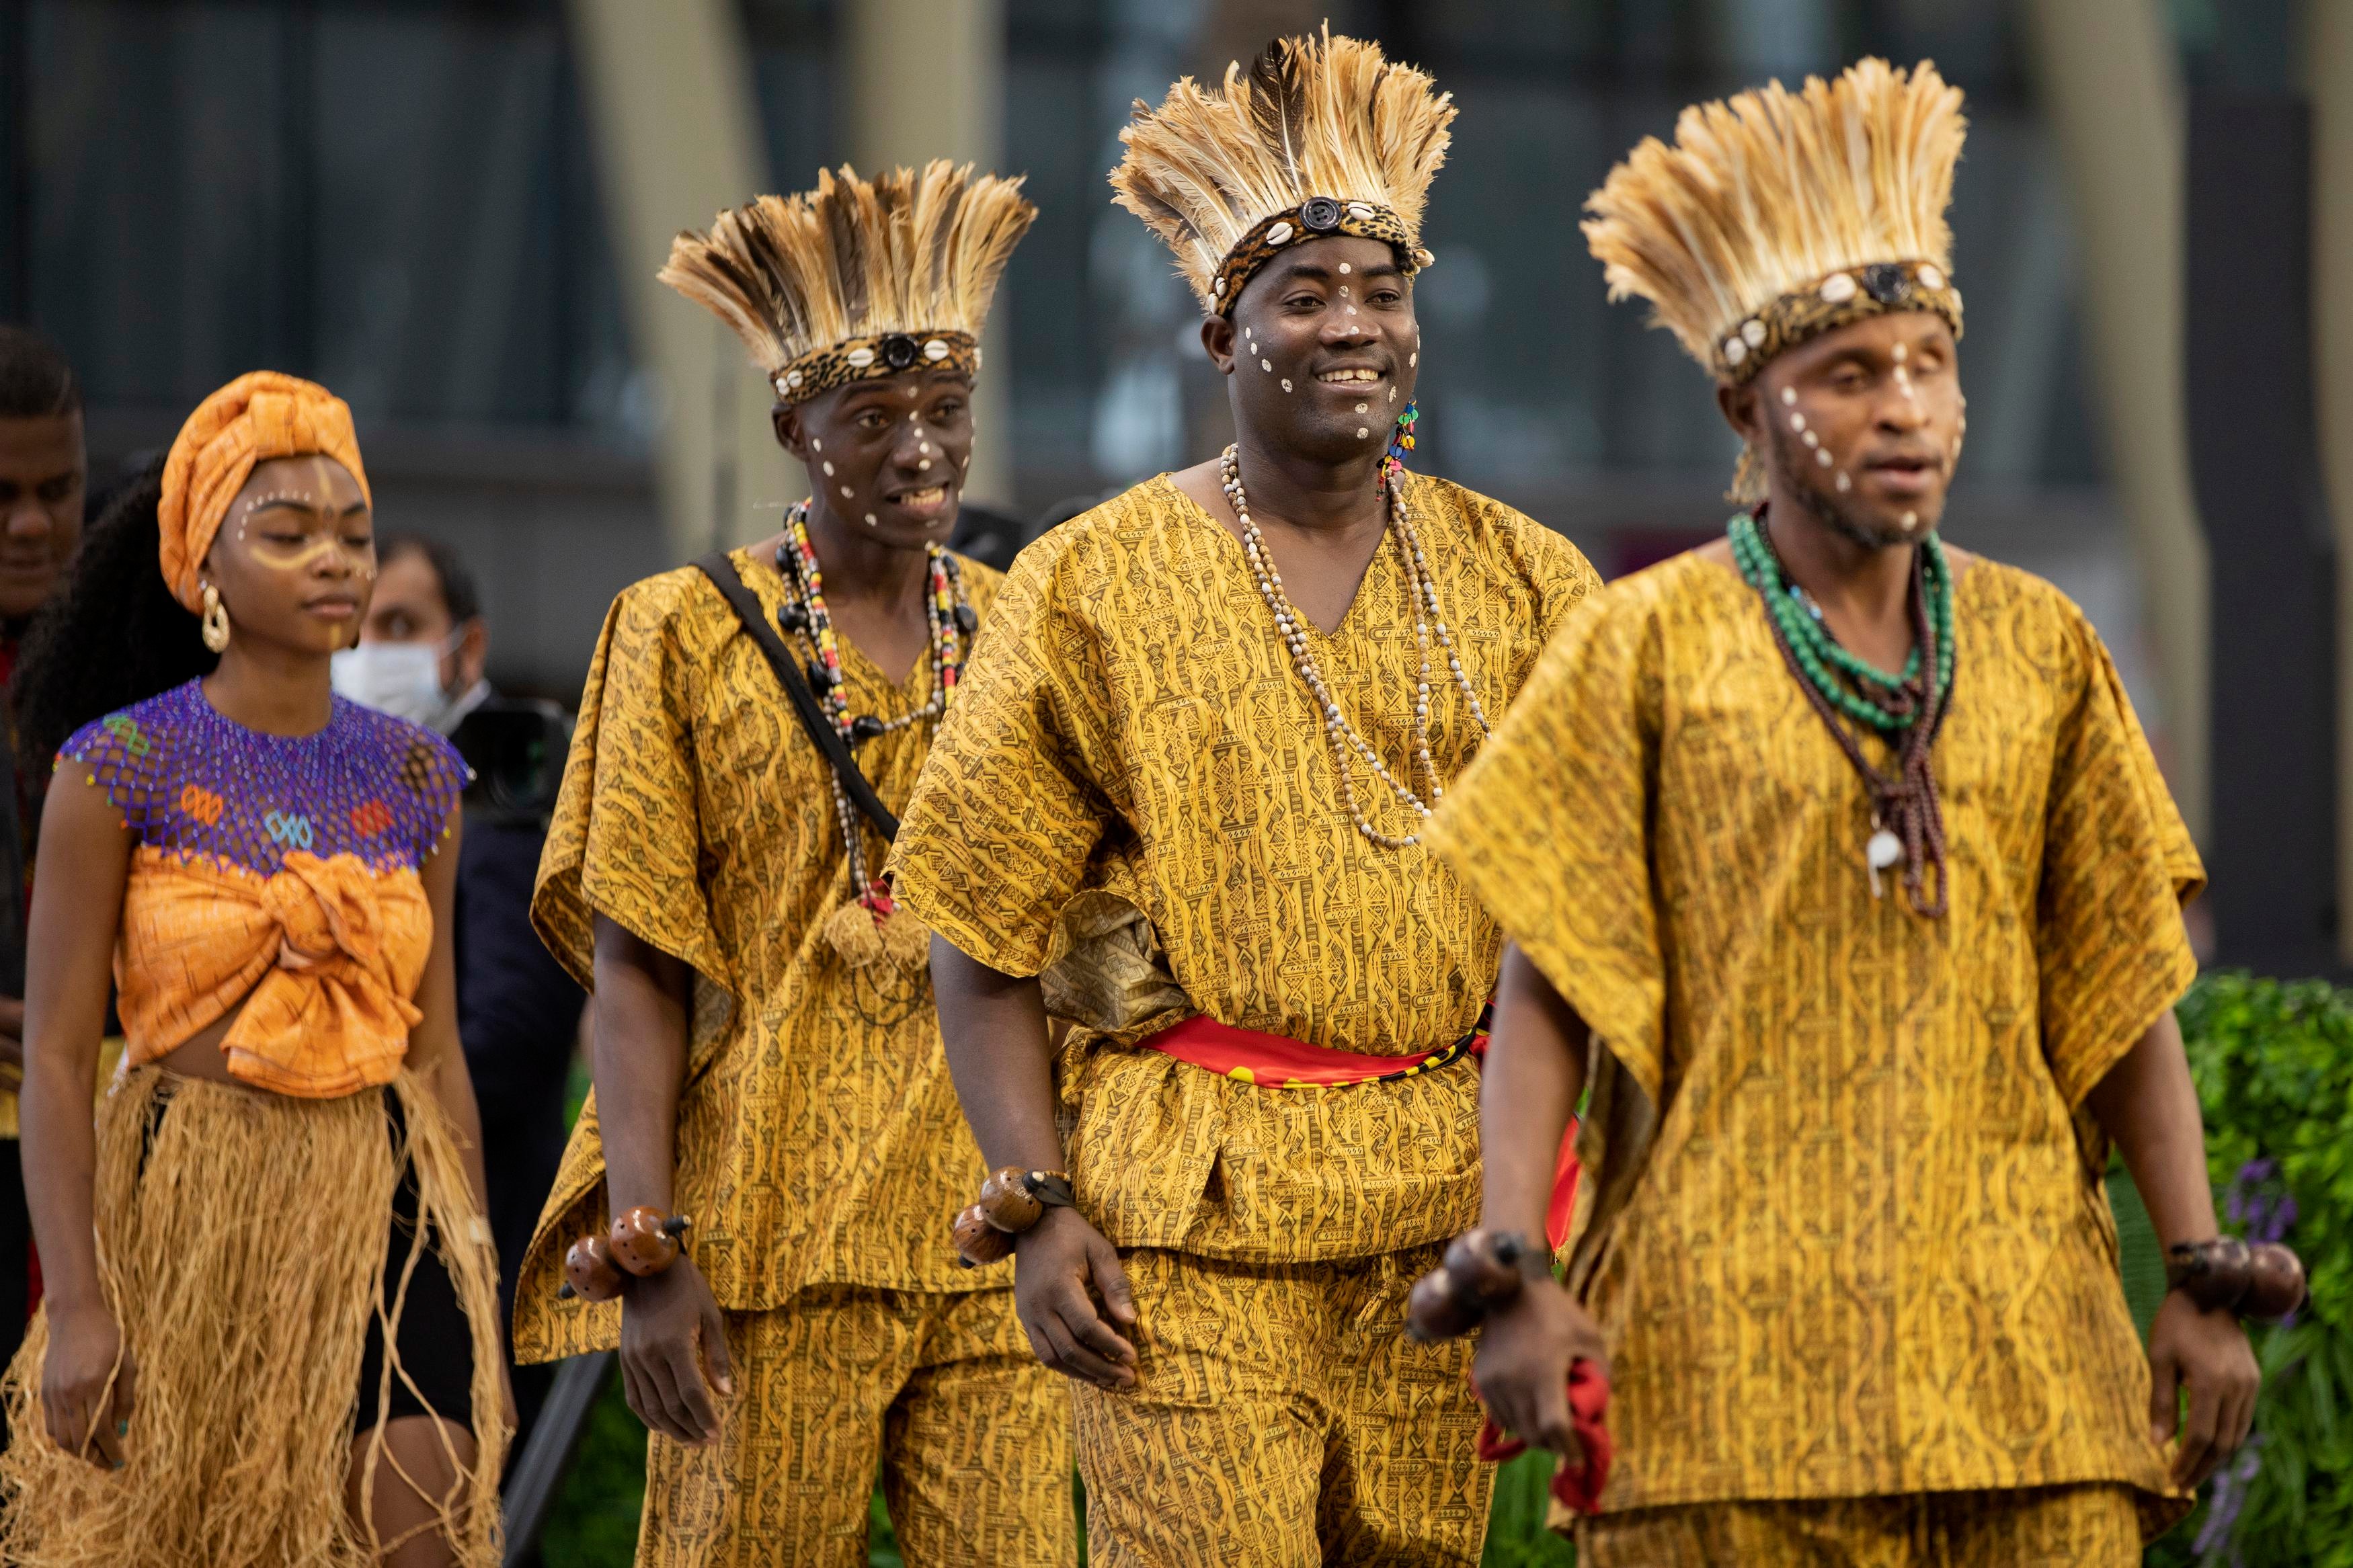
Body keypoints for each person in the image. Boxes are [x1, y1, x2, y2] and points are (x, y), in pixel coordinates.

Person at [1434, 60, 2256, 1565]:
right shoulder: (1637, 646)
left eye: (1929, 363)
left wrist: (2196, 1267)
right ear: (1748, 405)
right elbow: (1543, 983)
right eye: (1850, 374)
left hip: (2028, 1382)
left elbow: (2123, 980)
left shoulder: (2043, 645)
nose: (1906, 410)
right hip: (1723, 1386)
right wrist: (1515, 1266)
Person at [887, 30, 1602, 1563]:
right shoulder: (1091, 577)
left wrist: (1540, 1232)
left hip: (1439, 1215)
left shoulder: (1531, 580)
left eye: (1381, 291)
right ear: (1220, 337)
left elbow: (1592, 935)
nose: (1352, 325)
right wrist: (1036, 1204)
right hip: (1182, 1212)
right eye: (1303, 295)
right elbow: (975, 924)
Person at [507, 161, 1073, 1567]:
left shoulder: (1020, 631)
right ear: (790, 423)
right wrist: (649, 1246)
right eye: (871, 417)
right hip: (771, 1223)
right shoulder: (680, 628)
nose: (918, 447)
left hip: (990, 1218)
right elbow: (637, 962)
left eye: (944, 411)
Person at [2, 372, 509, 1565]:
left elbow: (437, 1047)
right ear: (204, 568)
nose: (334, 558)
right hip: (190, 1203)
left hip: (392, 1196)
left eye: (353, 534)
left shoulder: (417, 777)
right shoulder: (115, 765)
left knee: (420, 1533)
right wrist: (77, 1301)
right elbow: (66, 1060)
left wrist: (477, 1271)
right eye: (286, 532)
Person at [338, 534, 584, 1454]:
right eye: (354, 629)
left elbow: (512, 1036)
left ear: (465, 650)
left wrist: (337, 1082)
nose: (367, 656)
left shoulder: (502, 799)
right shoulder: (345, 786)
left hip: (470, 1237)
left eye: (399, 625)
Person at [0, 327, 85, 1390]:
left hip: (98, 1159)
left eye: (57, 488)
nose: (29, 522)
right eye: (2, 494)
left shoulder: (146, 673)